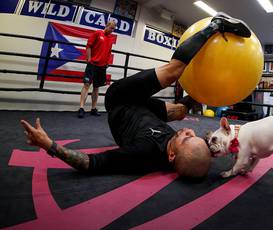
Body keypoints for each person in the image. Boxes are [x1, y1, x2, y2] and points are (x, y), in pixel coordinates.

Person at [21, 13, 252, 179]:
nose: (188, 131)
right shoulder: (188, 152)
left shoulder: (140, 155)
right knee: (182, 112)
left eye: (185, 138)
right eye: (194, 136)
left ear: (171, 155)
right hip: (148, 112)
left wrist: (49, 146)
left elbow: (90, 163)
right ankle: (204, 70)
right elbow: (204, 151)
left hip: (120, 101)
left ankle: (216, 24)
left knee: (172, 74)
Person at [78, 21, 117, 118]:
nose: (112, 31)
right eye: (111, 28)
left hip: (102, 66)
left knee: (96, 87)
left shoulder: (110, 39)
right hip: (93, 64)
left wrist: (107, 63)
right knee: (86, 85)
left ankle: (93, 108)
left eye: (113, 29)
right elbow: (89, 46)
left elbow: (108, 52)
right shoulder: (97, 33)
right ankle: (81, 108)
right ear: (107, 26)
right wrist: (89, 59)